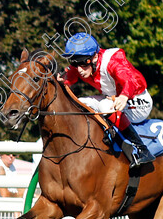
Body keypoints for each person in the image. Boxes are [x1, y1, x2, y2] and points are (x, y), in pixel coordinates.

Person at [58, 33, 155, 168]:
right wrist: (61, 80)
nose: (79, 69)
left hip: (137, 100)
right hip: (114, 98)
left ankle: (142, 150)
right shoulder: (83, 64)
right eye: (74, 63)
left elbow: (130, 81)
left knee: (105, 106)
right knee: (80, 103)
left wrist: (124, 95)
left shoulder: (113, 61)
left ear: (95, 57)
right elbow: (70, 77)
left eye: (83, 63)